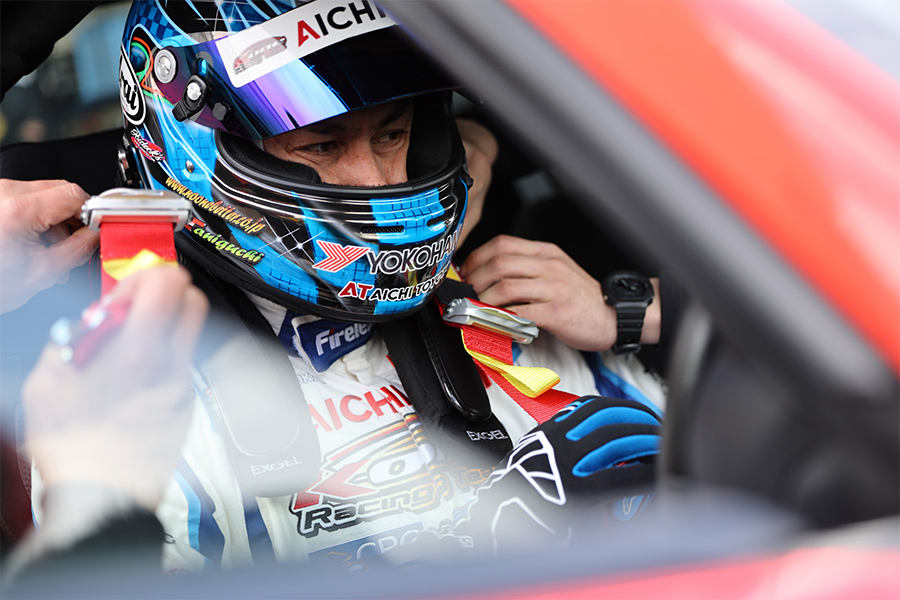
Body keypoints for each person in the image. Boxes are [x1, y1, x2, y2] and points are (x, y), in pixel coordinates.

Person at [25, 0, 667, 573]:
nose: (378, 182)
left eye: (392, 134)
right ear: (198, 152)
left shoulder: (516, 316)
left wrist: (636, 312)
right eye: (322, 146)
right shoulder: (144, 399)